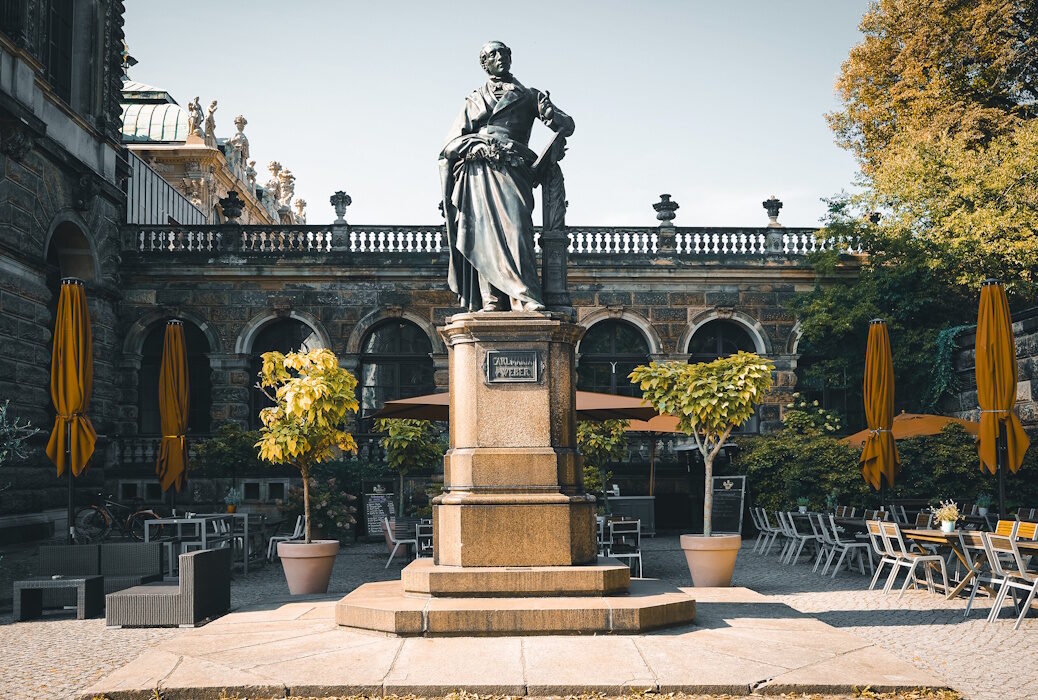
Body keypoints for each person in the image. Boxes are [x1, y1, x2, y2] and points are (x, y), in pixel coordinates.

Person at [440, 41, 574, 312]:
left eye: (504, 52)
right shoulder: (474, 99)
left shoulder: (528, 94)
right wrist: (475, 145)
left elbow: (568, 126)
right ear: (484, 63)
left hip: (514, 169)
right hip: (477, 171)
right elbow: (450, 145)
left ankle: (523, 296)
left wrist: (552, 114)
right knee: (480, 233)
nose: (499, 57)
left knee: (518, 229)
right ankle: (490, 300)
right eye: (492, 54)